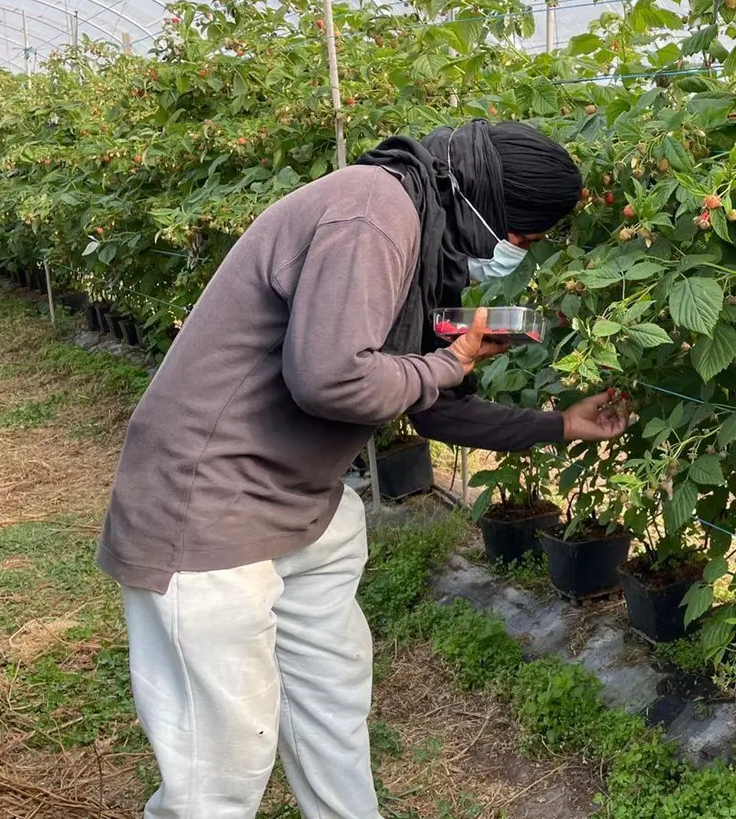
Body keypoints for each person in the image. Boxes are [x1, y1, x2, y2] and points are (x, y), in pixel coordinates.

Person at [97, 120, 628, 819]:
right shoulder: (373, 210)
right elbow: (328, 379)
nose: (510, 256)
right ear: (483, 201)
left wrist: (560, 425)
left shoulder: (423, 237)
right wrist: (454, 358)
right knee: (219, 763)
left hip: (304, 507)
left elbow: (431, 406)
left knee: (332, 708)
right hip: (210, 510)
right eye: (518, 238)